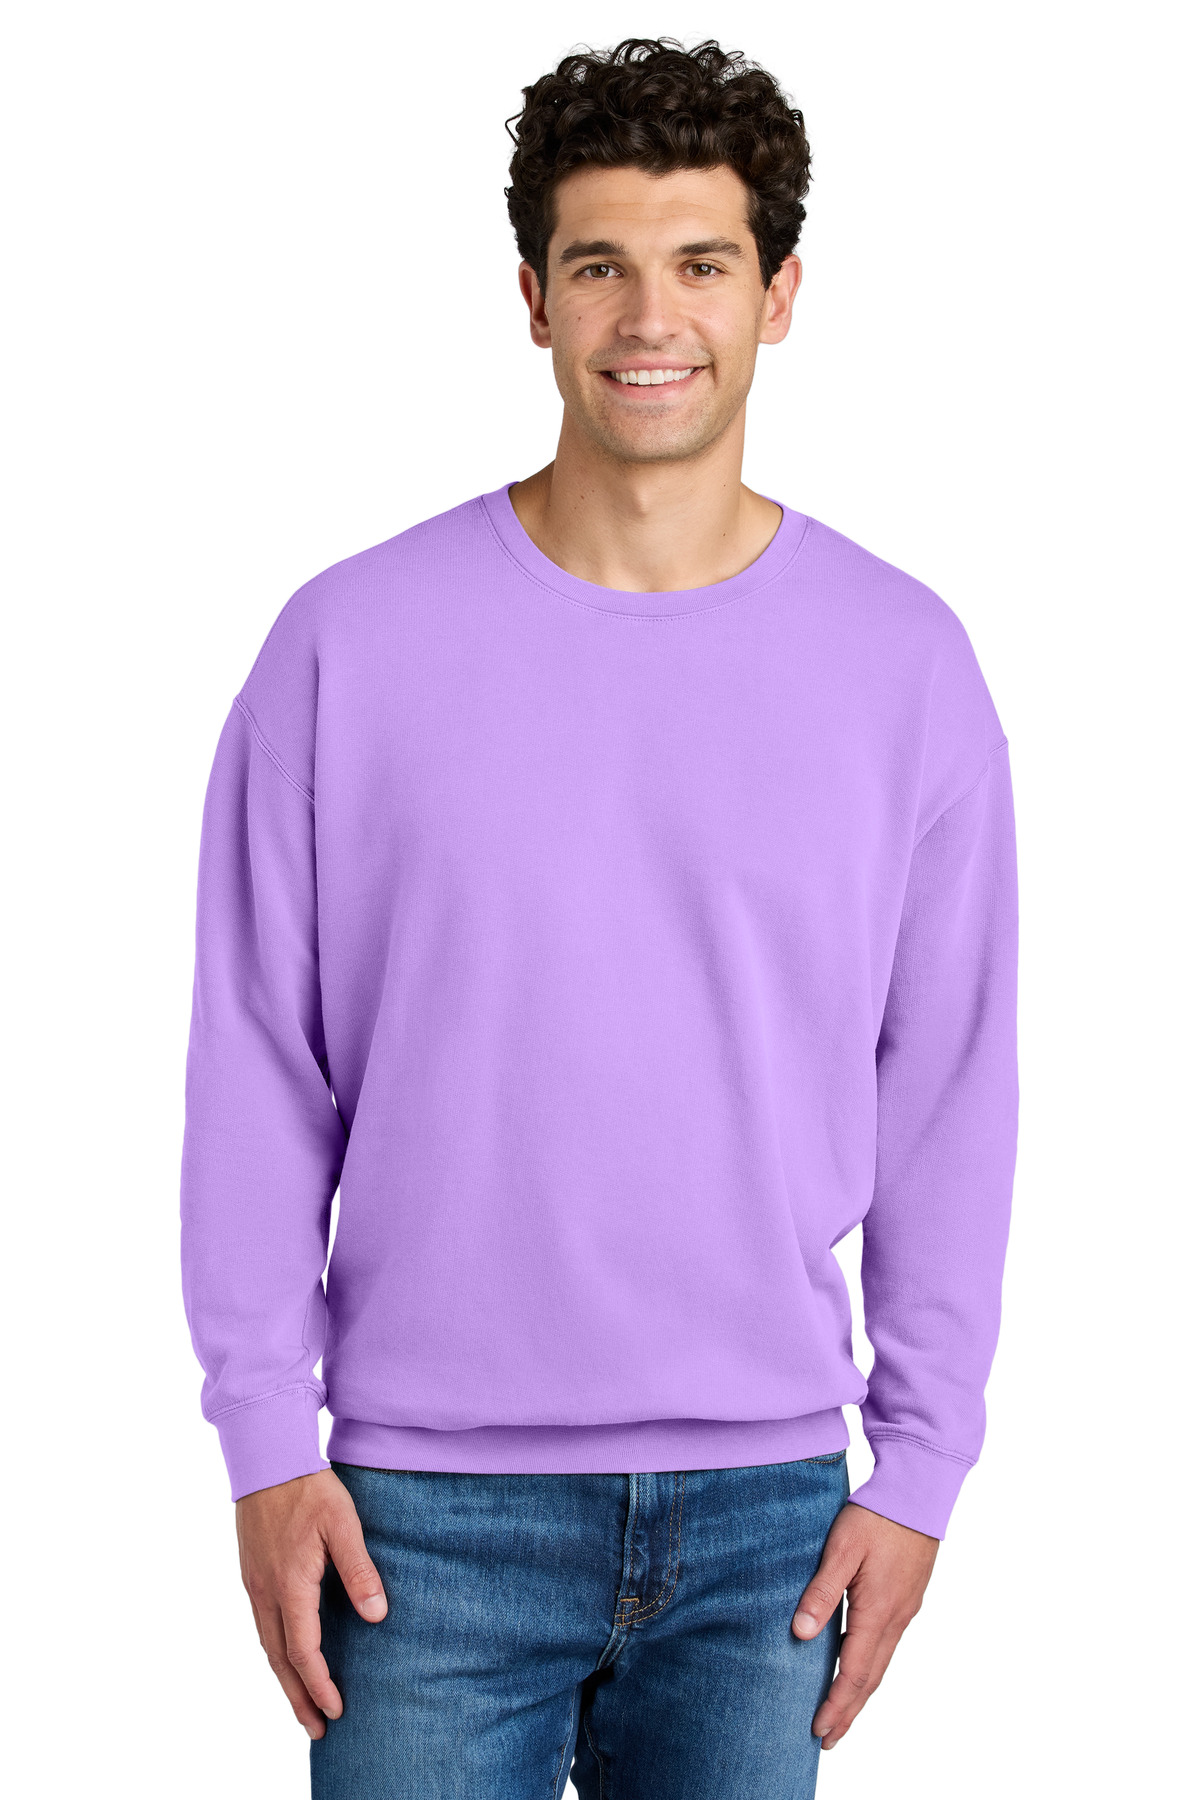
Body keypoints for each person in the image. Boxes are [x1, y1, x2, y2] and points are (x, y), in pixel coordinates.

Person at [180, 36, 1019, 1800]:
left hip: (769, 1529)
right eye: (600, 266)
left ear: (779, 295)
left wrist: (925, 1467)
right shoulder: (346, 647)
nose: (652, 317)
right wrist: (263, 1437)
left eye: (703, 263)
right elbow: (257, 1061)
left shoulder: (906, 666)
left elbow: (948, 1089)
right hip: (416, 1522)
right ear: (533, 299)